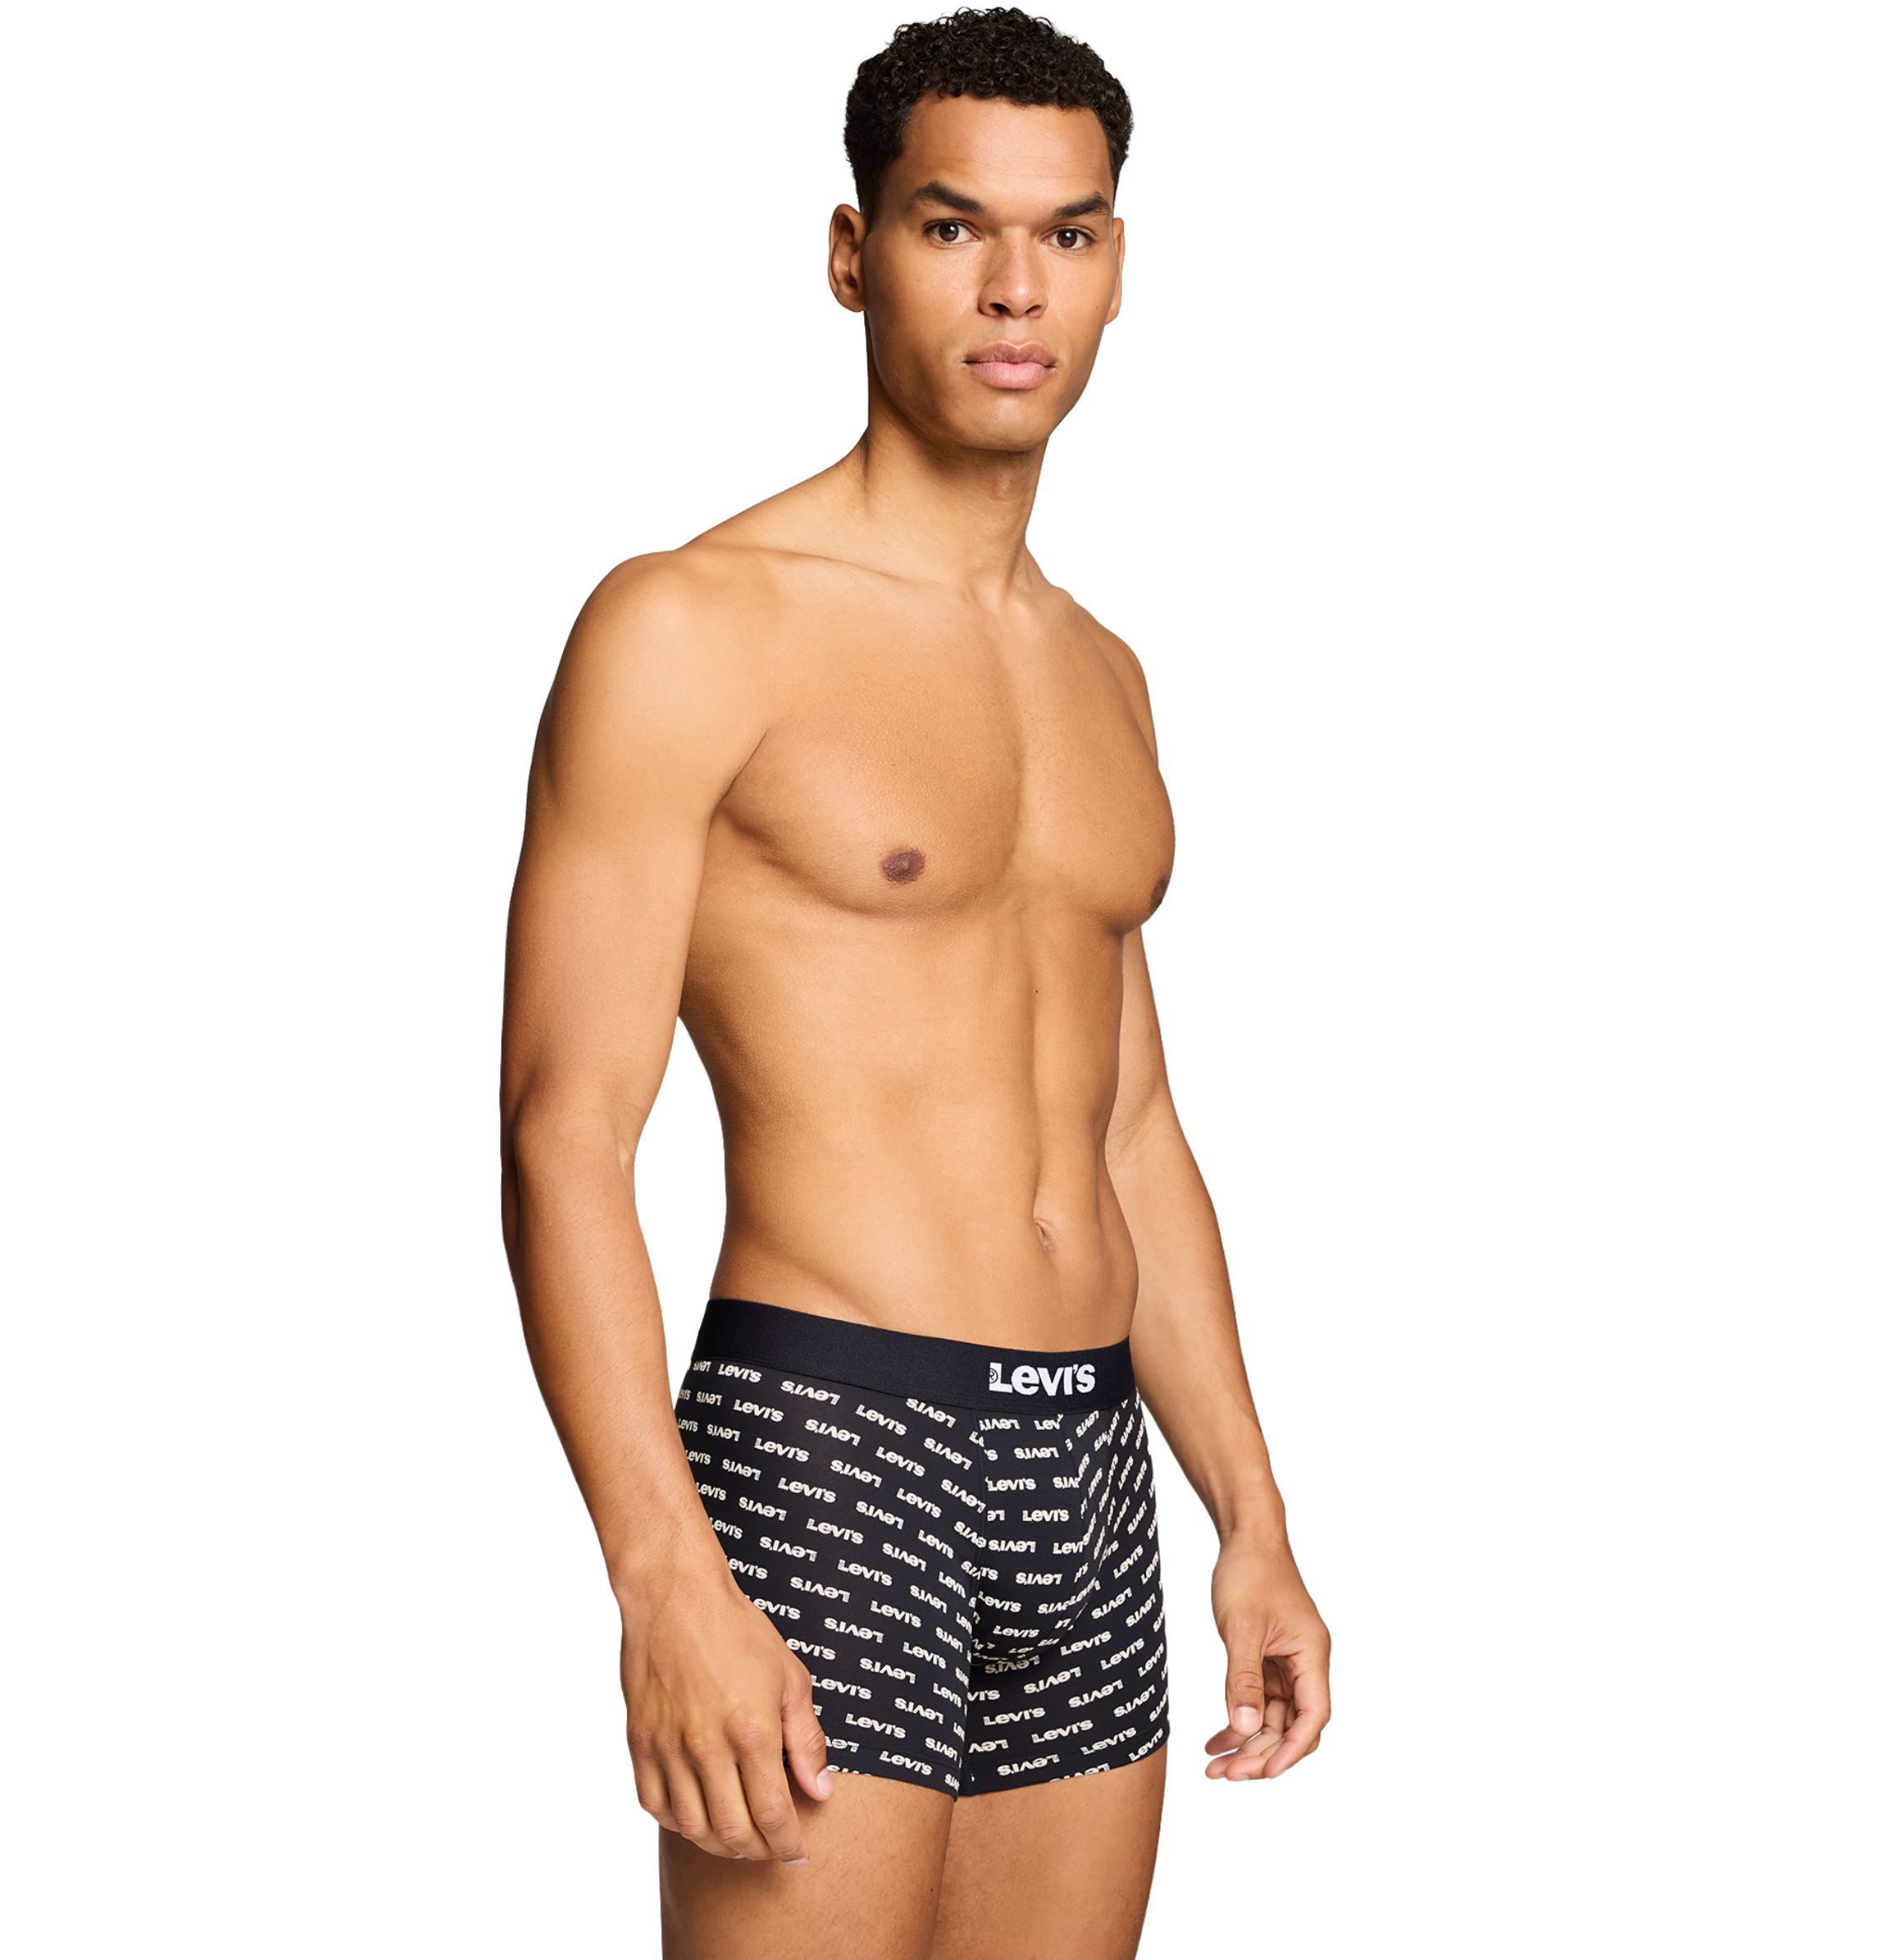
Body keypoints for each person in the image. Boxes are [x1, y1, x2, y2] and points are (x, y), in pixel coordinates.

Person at [499, 9, 1331, 1955]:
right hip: (831, 1444)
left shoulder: (1102, 674)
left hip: (1087, 1467)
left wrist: (1253, 1517)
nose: (1016, 287)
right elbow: (563, 1132)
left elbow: (1129, 1128)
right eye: (956, 227)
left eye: (1068, 233)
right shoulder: (691, 625)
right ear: (853, 253)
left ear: (1116, 265)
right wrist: (661, 1575)